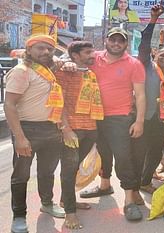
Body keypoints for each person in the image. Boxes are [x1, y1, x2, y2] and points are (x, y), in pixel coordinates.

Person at [78, 27, 146, 221]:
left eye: (121, 41)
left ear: (125, 43)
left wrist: (139, 121)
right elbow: (72, 59)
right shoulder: (93, 58)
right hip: (93, 116)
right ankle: (105, 186)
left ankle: (129, 201)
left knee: (123, 157)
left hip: (120, 117)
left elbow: (140, 95)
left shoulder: (134, 64)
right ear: (106, 40)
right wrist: (63, 62)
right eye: (113, 40)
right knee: (102, 153)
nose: (116, 43)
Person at [4, 34, 65, 233]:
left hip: (51, 129)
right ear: (28, 50)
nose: (46, 52)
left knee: (47, 172)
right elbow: (10, 105)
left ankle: (47, 203)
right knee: (21, 176)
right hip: (27, 129)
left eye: (50, 49)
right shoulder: (22, 71)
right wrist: (20, 138)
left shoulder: (49, 70)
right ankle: (19, 216)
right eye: (40, 48)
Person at [55, 41, 104, 229]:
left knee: (74, 168)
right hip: (72, 130)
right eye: (88, 52)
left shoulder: (90, 73)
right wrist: (66, 129)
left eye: (92, 51)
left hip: (90, 129)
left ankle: (65, 201)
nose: (93, 55)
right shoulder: (66, 72)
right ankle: (70, 213)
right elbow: (58, 101)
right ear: (75, 55)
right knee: (68, 171)